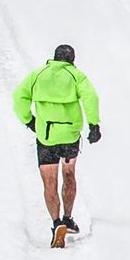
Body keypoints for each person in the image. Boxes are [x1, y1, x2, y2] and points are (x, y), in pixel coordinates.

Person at [12, 44, 102, 236]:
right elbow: (91, 98)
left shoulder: (38, 74)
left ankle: (56, 222)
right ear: (72, 60)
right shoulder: (76, 76)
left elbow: (19, 97)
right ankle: (68, 218)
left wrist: (29, 121)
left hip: (46, 135)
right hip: (69, 134)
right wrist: (94, 125)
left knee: (49, 181)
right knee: (69, 174)